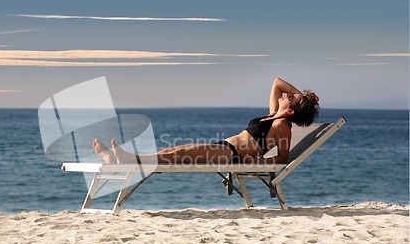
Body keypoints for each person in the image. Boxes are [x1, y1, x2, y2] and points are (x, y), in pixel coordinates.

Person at [93, 77, 319, 165]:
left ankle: (127, 159)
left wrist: (255, 162)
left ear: (290, 111)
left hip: (234, 155)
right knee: (178, 149)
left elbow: (282, 159)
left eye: (289, 97)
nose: (284, 94)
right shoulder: (272, 115)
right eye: (290, 94)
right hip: (226, 146)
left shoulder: (282, 125)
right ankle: (117, 159)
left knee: (178, 153)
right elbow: (277, 82)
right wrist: (304, 97)